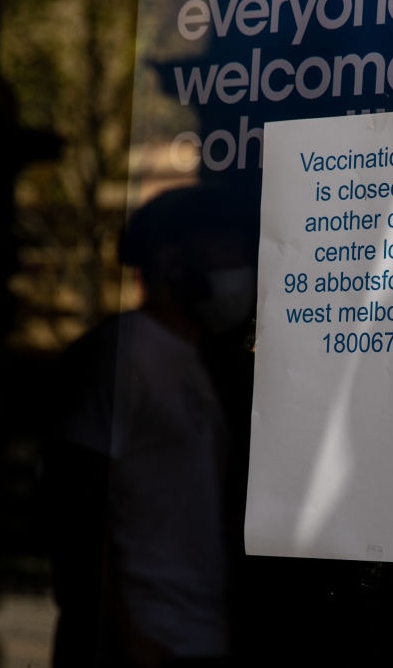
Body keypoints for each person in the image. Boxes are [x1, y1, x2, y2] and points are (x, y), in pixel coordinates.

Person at [46, 185, 256, 668]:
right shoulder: (119, 355)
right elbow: (80, 513)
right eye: (223, 248)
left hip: (201, 638)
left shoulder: (199, 364)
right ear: (171, 260)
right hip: (143, 644)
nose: (239, 264)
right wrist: (127, 637)